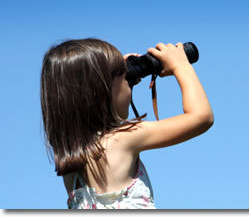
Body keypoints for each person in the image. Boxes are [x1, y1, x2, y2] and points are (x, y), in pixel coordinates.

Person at [40, 38, 214, 209]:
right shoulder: (122, 139)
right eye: (125, 78)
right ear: (102, 91)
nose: (129, 81)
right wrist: (181, 66)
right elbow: (201, 117)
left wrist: (116, 75)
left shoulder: (71, 161)